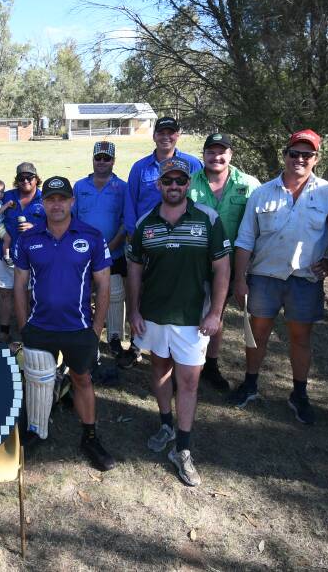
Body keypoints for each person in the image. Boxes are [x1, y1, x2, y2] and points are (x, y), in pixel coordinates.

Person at [228, 129, 328, 425]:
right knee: (257, 335)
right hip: (264, 276)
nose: (299, 159)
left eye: (307, 154)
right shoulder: (262, 193)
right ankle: (250, 384)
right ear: (285, 156)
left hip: (304, 279)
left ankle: (299, 393)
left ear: (316, 159)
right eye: (294, 153)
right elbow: (245, 238)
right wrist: (239, 279)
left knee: (300, 338)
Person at [127, 158, 231, 486]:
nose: (174, 186)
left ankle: (183, 449)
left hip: (192, 318)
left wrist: (215, 312)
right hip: (155, 315)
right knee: (160, 370)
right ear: (159, 185)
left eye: (179, 182)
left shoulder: (207, 219)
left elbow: (222, 269)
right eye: (167, 181)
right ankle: (165, 424)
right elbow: (134, 271)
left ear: (188, 185)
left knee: (188, 382)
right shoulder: (146, 222)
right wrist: (134, 311)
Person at [13, 176, 116, 471]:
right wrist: (24, 325)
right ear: (42, 203)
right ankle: (35, 430)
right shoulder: (29, 238)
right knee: (36, 379)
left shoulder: (92, 236)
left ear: (72, 201)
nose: (56, 204)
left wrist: (96, 330)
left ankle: (90, 435)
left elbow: (104, 286)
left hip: (78, 328)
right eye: (50, 199)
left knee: (82, 379)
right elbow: (19, 285)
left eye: (62, 199)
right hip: (39, 328)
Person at [187, 133, 262, 392]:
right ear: (203, 154)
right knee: (189, 313)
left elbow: (258, 225)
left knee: (216, 314)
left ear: (231, 155)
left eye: (222, 152)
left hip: (229, 265)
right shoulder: (190, 183)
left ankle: (211, 364)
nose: (216, 157)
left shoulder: (249, 184)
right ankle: (186, 364)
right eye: (211, 151)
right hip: (193, 262)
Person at [72, 141, 132, 375]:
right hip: (83, 252)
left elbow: (125, 222)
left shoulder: (122, 187)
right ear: (93, 159)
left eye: (107, 158)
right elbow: (74, 218)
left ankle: (115, 337)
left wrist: (111, 246)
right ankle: (85, 330)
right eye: (98, 157)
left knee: (115, 294)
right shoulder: (80, 186)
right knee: (84, 293)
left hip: (113, 252)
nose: (102, 162)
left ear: (113, 161)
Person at [122, 116, 204, 235]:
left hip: (185, 233)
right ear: (154, 136)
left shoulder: (193, 164)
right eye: (161, 133)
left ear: (177, 135)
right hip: (148, 233)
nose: (166, 137)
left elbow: (202, 199)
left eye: (170, 133)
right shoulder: (139, 167)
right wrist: (132, 233)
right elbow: (130, 202)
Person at [0, 162, 45, 342]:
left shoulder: (45, 198)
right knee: (5, 293)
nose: (25, 181)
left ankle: (26, 330)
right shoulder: (7, 196)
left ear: (36, 179)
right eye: (21, 178)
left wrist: (35, 227)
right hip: (6, 255)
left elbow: (56, 225)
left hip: (34, 256)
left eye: (29, 177)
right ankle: (4, 331)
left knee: (30, 294)